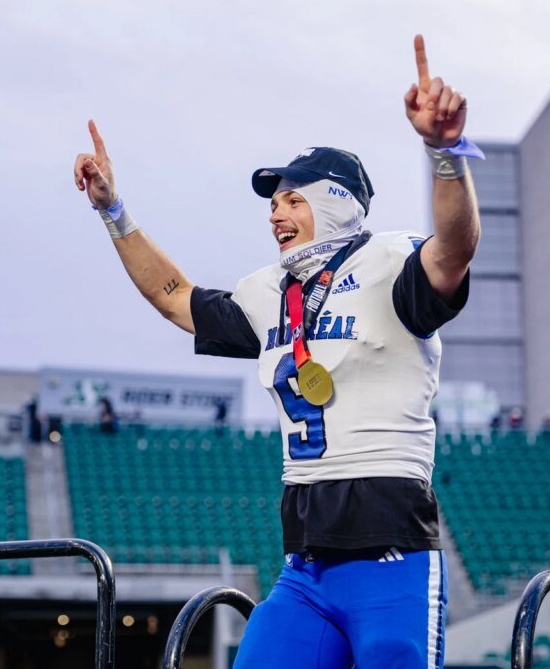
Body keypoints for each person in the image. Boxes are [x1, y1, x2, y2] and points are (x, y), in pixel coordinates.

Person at [74, 35, 479, 668]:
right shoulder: (270, 293)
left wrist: (444, 151)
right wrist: (113, 212)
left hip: (392, 559)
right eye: (273, 203)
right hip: (305, 568)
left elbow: (455, 249)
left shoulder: (389, 261)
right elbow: (174, 297)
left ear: (336, 203)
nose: (275, 215)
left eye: (293, 199)